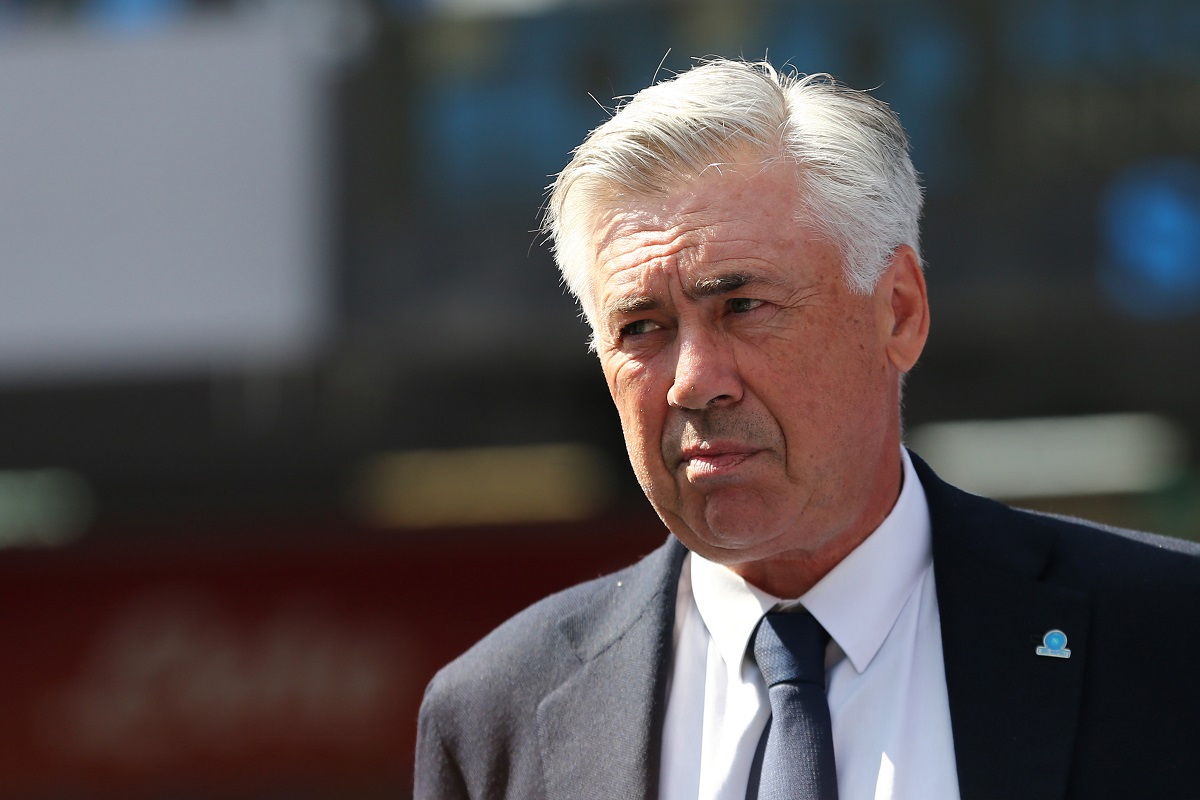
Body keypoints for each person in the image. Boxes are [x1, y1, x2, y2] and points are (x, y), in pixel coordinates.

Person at [414, 59, 1200, 800]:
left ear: (899, 312)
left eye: (743, 306)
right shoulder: (496, 716)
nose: (693, 381)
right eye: (642, 327)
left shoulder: (1167, 638)